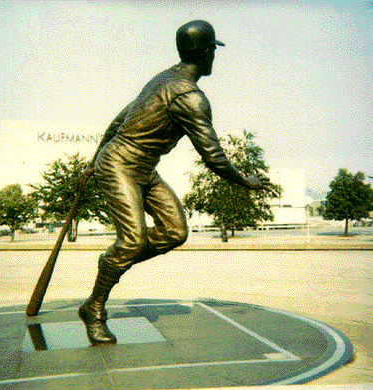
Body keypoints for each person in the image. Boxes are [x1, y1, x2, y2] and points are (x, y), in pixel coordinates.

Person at [77, 20, 271, 345]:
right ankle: (94, 306)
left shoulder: (164, 77)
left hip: (143, 168)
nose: (214, 56)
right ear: (207, 52)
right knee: (132, 242)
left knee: (174, 232)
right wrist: (245, 181)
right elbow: (214, 156)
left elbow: (118, 118)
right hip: (118, 164)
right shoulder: (190, 97)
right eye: (213, 50)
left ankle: (114, 260)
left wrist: (92, 159)